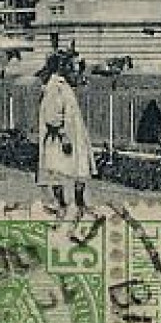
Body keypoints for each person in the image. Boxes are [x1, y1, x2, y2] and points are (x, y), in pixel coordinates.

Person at [36, 49, 95, 213]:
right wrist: (63, 136)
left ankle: (79, 203)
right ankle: (60, 204)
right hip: (60, 137)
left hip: (72, 133)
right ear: (63, 67)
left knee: (79, 168)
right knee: (57, 169)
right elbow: (52, 115)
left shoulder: (64, 84)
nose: (76, 70)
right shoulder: (55, 86)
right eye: (74, 66)